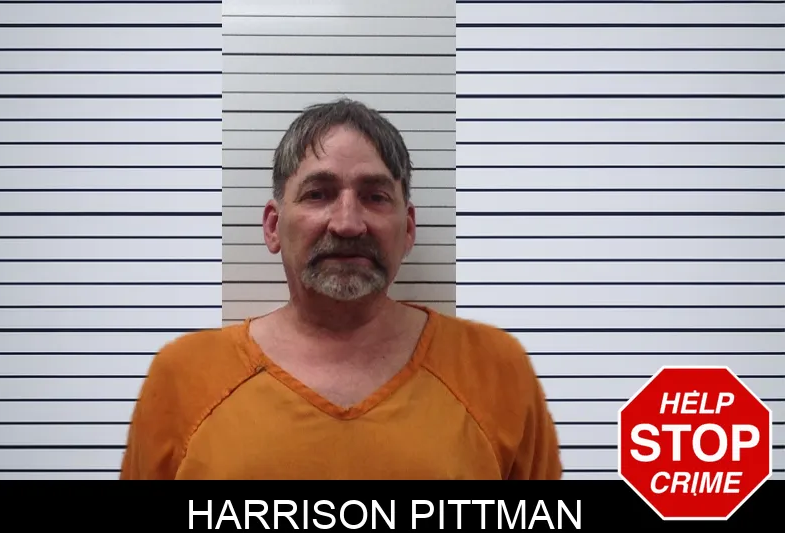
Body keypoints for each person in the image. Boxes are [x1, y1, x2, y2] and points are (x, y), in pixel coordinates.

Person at [120, 98, 562, 480]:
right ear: (273, 227)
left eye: (375, 197)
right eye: (318, 194)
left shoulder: (496, 370)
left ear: (408, 228)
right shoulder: (183, 379)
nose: (348, 223)